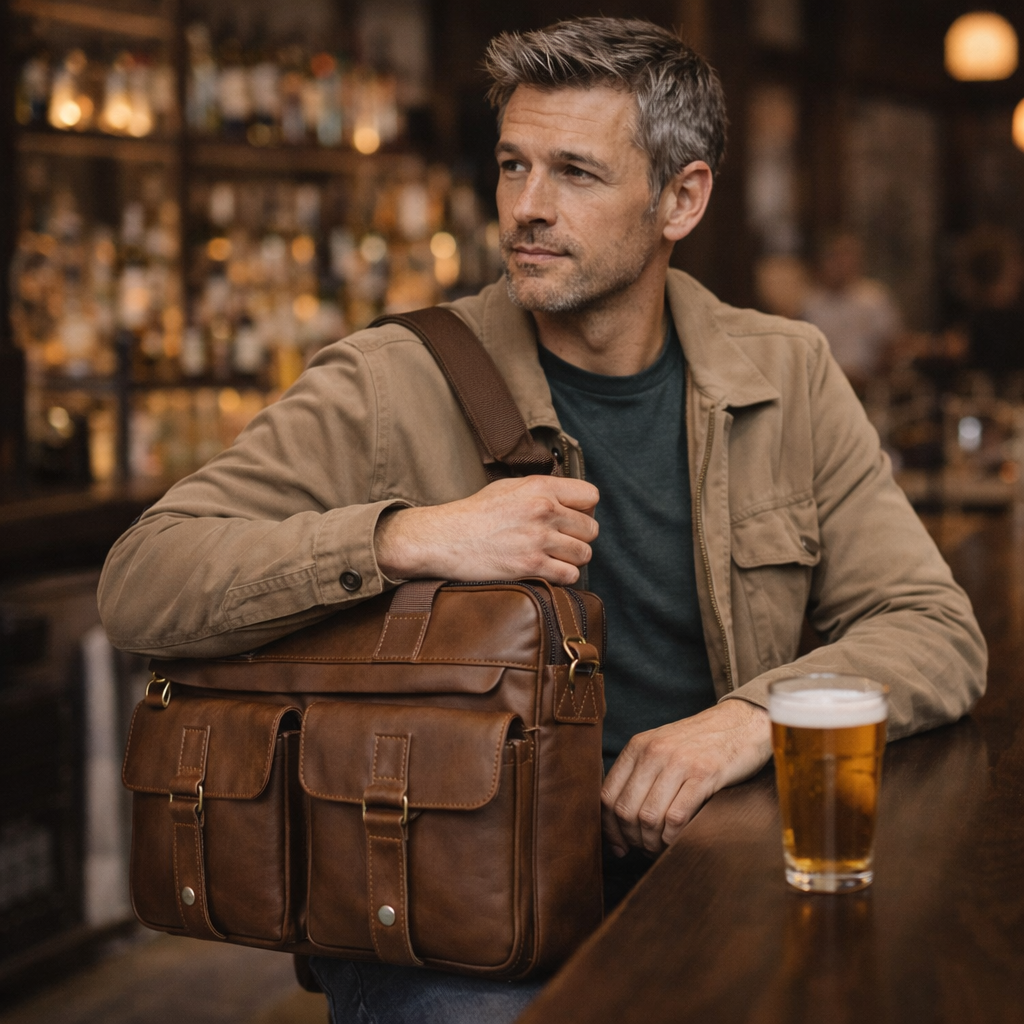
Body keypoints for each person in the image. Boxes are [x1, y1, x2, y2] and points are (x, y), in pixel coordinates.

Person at [98, 18, 986, 1024]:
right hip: (451, 918)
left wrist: (742, 723)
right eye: (513, 165)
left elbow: (935, 630)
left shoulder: (786, 371)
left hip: (704, 872)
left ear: (680, 199)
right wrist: (408, 538)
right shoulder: (390, 379)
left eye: (574, 172)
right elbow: (141, 581)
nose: (525, 206)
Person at [802, 232, 902, 391]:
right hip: (823, 386)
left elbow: (891, 343)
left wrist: (876, 376)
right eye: (834, 258)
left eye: (846, 258)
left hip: (869, 384)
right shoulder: (809, 304)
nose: (841, 265)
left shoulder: (874, 297)